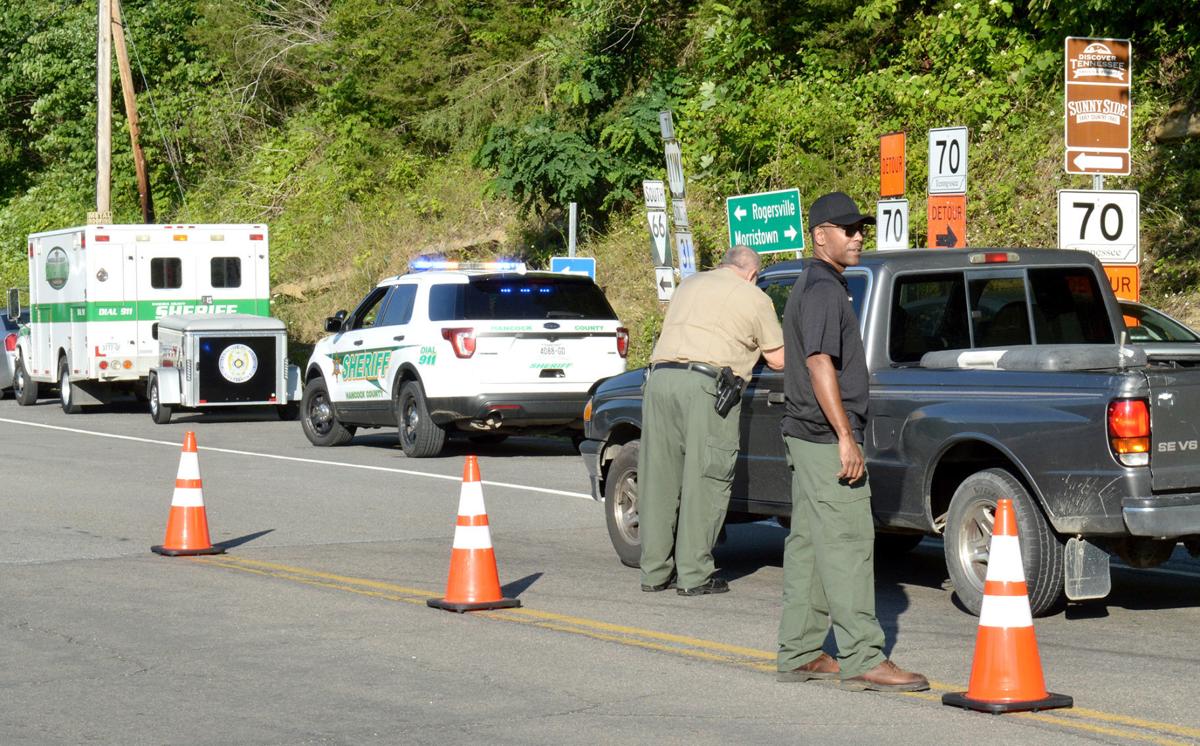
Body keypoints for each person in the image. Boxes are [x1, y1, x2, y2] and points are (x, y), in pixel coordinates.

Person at [775, 192, 928, 691]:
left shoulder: (820, 283)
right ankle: (863, 655)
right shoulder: (821, 288)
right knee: (848, 544)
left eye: (860, 227)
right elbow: (820, 363)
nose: (858, 235)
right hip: (823, 438)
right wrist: (846, 435)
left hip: (805, 435)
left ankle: (799, 650)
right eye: (847, 229)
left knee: (810, 545)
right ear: (821, 236)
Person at [639, 245, 785, 596]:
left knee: (658, 478)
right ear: (752, 274)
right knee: (706, 478)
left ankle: (654, 572)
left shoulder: (688, 285)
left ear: (723, 265)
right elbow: (778, 360)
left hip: (659, 381)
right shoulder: (753, 297)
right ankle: (694, 575)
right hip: (706, 387)